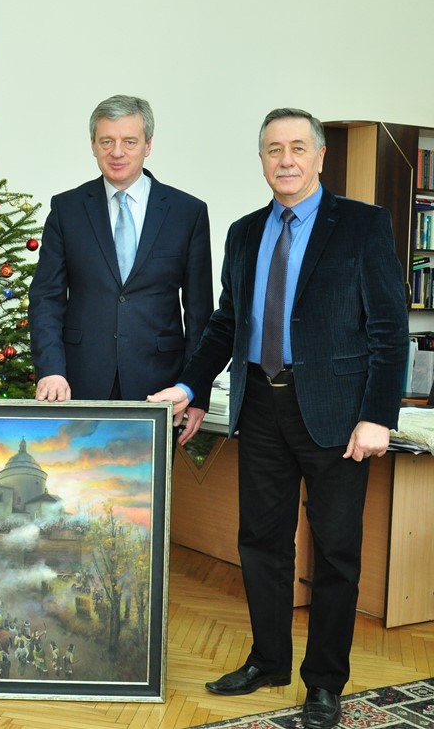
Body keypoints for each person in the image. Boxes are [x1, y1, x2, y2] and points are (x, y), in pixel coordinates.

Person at [148, 108, 409, 729]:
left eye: (297, 147)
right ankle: (268, 661)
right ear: (262, 159)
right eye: (273, 149)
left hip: (337, 414)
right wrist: (189, 384)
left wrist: (378, 416)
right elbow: (225, 324)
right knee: (260, 543)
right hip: (260, 405)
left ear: (320, 156)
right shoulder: (244, 233)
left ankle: (324, 682)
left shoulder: (364, 225)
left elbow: (389, 330)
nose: (285, 160)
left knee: (336, 552)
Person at [29, 94, 213, 441]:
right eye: (106, 141)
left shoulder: (187, 212)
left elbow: (199, 311)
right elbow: (46, 298)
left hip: (160, 387)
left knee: (150, 477)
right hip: (78, 382)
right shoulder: (67, 209)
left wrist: (195, 390)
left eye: (129, 141)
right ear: (93, 145)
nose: (117, 152)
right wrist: (51, 370)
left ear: (148, 145)